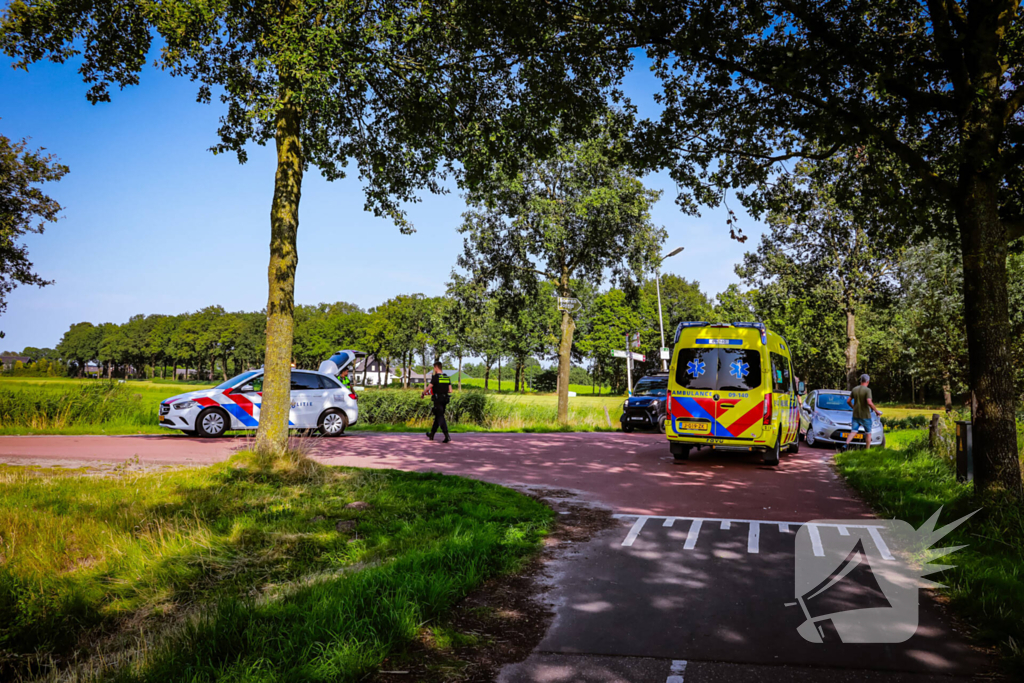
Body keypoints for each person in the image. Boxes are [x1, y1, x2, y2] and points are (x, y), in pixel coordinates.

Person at [845, 374, 883, 450]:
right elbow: (869, 402)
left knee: (853, 431)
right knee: (868, 433)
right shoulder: (868, 390)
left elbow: (848, 401)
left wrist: (853, 407)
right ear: (868, 382)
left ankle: (846, 445)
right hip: (865, 416)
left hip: (855, 415)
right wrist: (876, 411)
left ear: (861, 381)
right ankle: (867, 450)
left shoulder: (855, 389)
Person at [422, 360, 451, 443]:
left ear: (436, 367)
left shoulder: (435, 378)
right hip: (445, 399)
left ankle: (446, 435)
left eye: (434, 368)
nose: (434, 369)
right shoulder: (446, 377)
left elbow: (428, 388)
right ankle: (431, 434)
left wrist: (423, 393)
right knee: (438, 416)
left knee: (440, 416)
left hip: (437, 400)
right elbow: (450, 390)